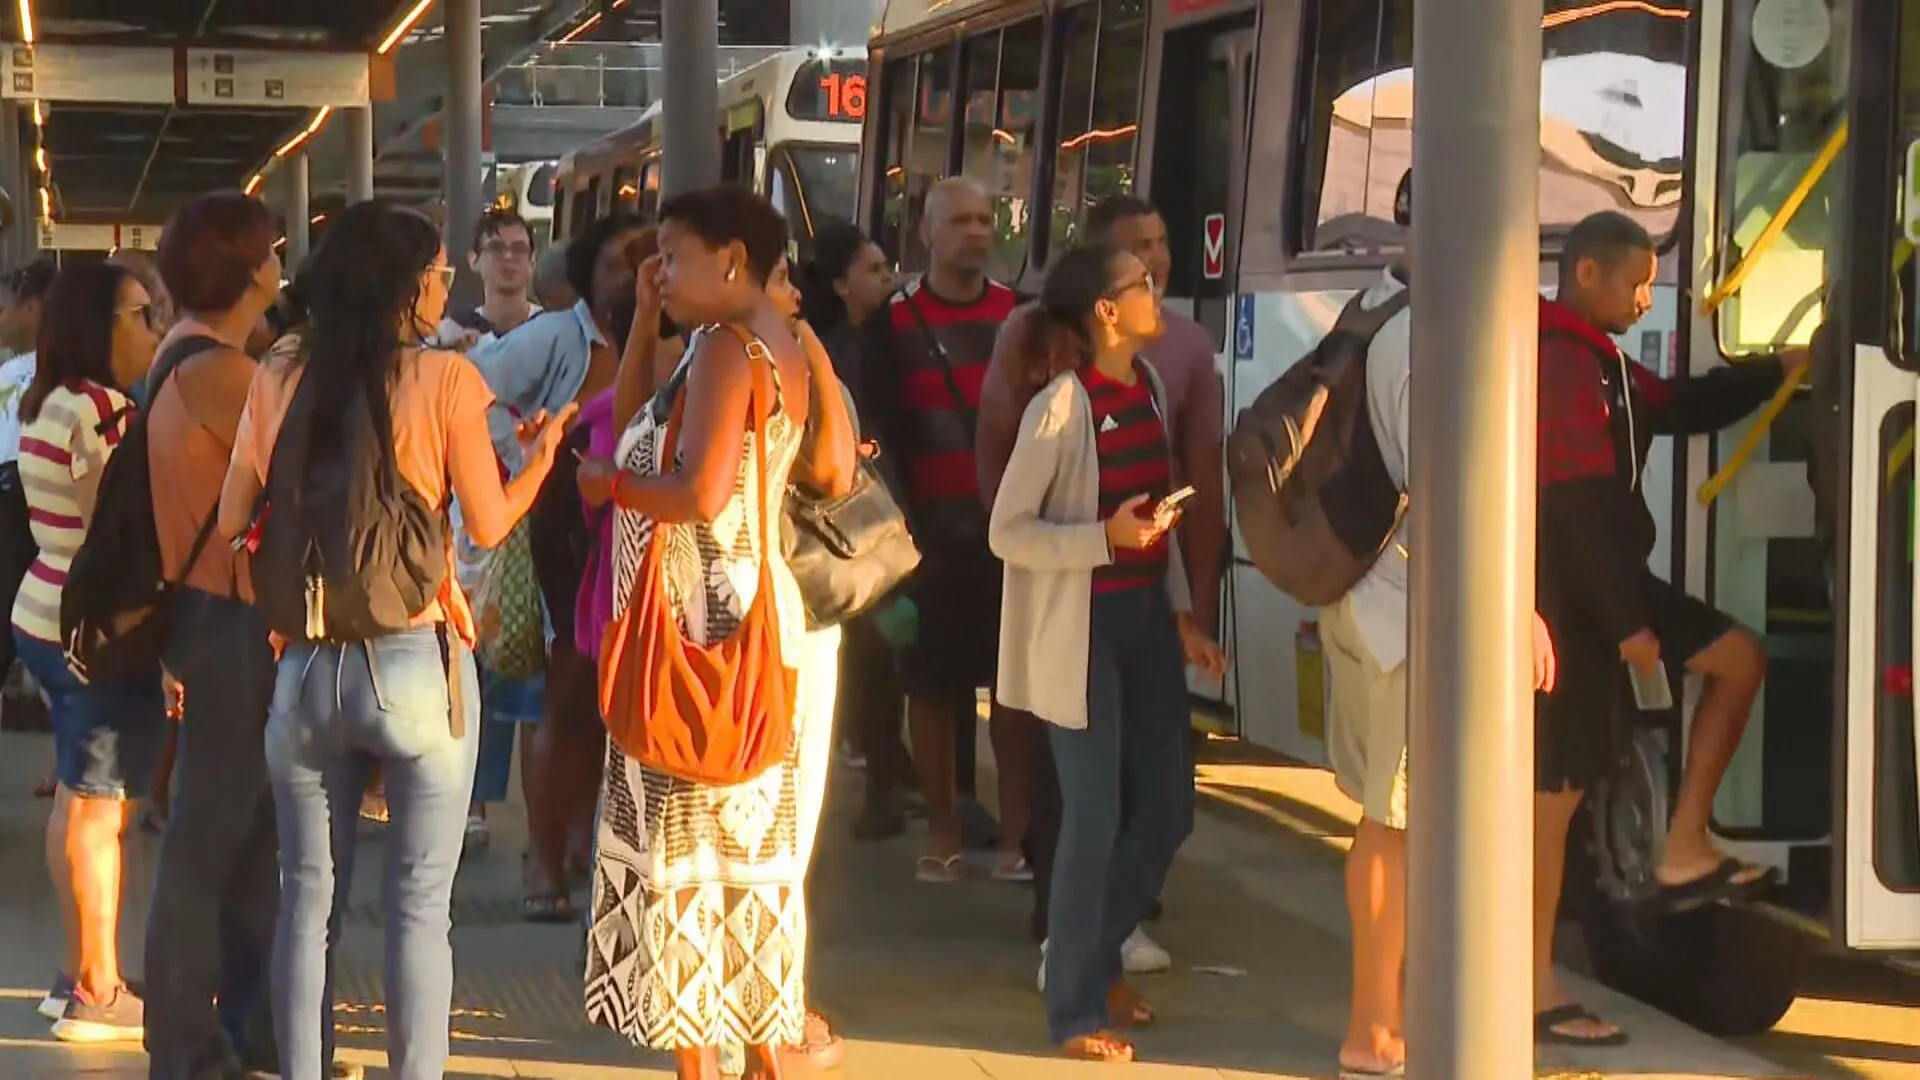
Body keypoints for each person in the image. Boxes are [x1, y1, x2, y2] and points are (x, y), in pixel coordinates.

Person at [217, 200, 573, 1080]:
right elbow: (485, 525)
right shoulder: (445, 378)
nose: (446, 285)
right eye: (442, 272)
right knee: (419, 907)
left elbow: (233, 519)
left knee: (308, 901)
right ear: (413, 286)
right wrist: (538, 463)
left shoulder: (281, 368)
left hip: (303, 665)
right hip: (417, 664)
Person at [575, 183, 856, 1080]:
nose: (658, 267)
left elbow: (696, 491)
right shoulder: (750, 342)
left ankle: (706, 1064)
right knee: (745, 856)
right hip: (739, 624)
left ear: (731, 261)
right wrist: (650, 316)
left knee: (686, 857)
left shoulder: (730, 350)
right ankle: (762, 1051)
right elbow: (632, 424)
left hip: (701, 630)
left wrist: (608, 489)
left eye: (674, 252)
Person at [1533, 210, 1799, 1045]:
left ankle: (1683, 843)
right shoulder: (1558, 362)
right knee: (1552, 801)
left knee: (1738, 660)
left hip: (1613, 589)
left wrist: (1780, 368)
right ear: (1586, 276)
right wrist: (1627, 628)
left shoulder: (1602, 359)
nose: (1650, 297)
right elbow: (1571, 511)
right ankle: (1530, 983)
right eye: (1638, 282)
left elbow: (1679, 405)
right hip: (1573, 607)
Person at [987, 243, 1227, 1063]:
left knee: (1168, 808)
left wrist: (1185, 618)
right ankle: (1076, 1007)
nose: (1157, 292)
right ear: (1106, 312)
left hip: (1144, 625)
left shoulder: (1150, 387)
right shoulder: (1062, 406)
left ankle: (1095, 956)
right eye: (1142, 285)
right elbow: (1007, 530)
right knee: (1092, 817)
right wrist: (1104, 537)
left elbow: (1150, 523)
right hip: (1084, 631)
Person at [141, 191, 291, 1080]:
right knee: (209, 842)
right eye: (272, 249)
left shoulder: (185, 354)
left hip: (210, 617)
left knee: (246, 841)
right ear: (248, 267)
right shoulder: (224, 373)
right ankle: (189, 1047)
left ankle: (249, 1031)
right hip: (229, 619)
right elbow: (312, 469)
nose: (281, 262)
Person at [469, 212, 651, 922]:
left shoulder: (678, 342)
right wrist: (521, 458)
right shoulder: (555, 335)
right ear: (586, 275)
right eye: (618, 263)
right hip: (567, 538)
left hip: (641, 535)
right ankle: (546, 857)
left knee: (620, 707)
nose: (634, 276)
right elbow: (472, 392)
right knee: (569, 697)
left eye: (646, 260)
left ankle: (582, 842)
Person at [858, 175, 1024, 880]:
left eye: (986, 220)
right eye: (960, 221)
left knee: (1018, 692)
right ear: (927, 234)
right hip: (929, 540)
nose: (977, 233)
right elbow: (876, 435)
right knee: (928, 689)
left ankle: (1020, 837)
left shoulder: (1022, 317)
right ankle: (945, 831)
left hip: (1013, 538)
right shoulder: (891, 325)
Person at [15, 259, 163, 1042]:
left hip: (42, 608)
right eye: (142, 313)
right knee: (102, 807)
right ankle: (99, 990)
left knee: (78, 793)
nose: (154, 329)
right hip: (94, 626)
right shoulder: (108, 412)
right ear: (99, 326)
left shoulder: (45, 401)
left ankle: (75, 970)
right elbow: (126, 531)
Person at [795, 222, 913, 838]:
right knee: (871, 653)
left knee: (890, 650)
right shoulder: (832, 348)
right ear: (841, 285)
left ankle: (889, 769)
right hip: (855, 523)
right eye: (873, 270)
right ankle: (882, 773)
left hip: (891, 511)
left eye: (887, 266)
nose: (888, 278)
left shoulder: (898, 337)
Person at [437, 207, 542, 350]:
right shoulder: (451, 332)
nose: (508, 257)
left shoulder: (551, 330)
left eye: (519, 249)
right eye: (496, 248)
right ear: (473, 260)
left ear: (533, 261)